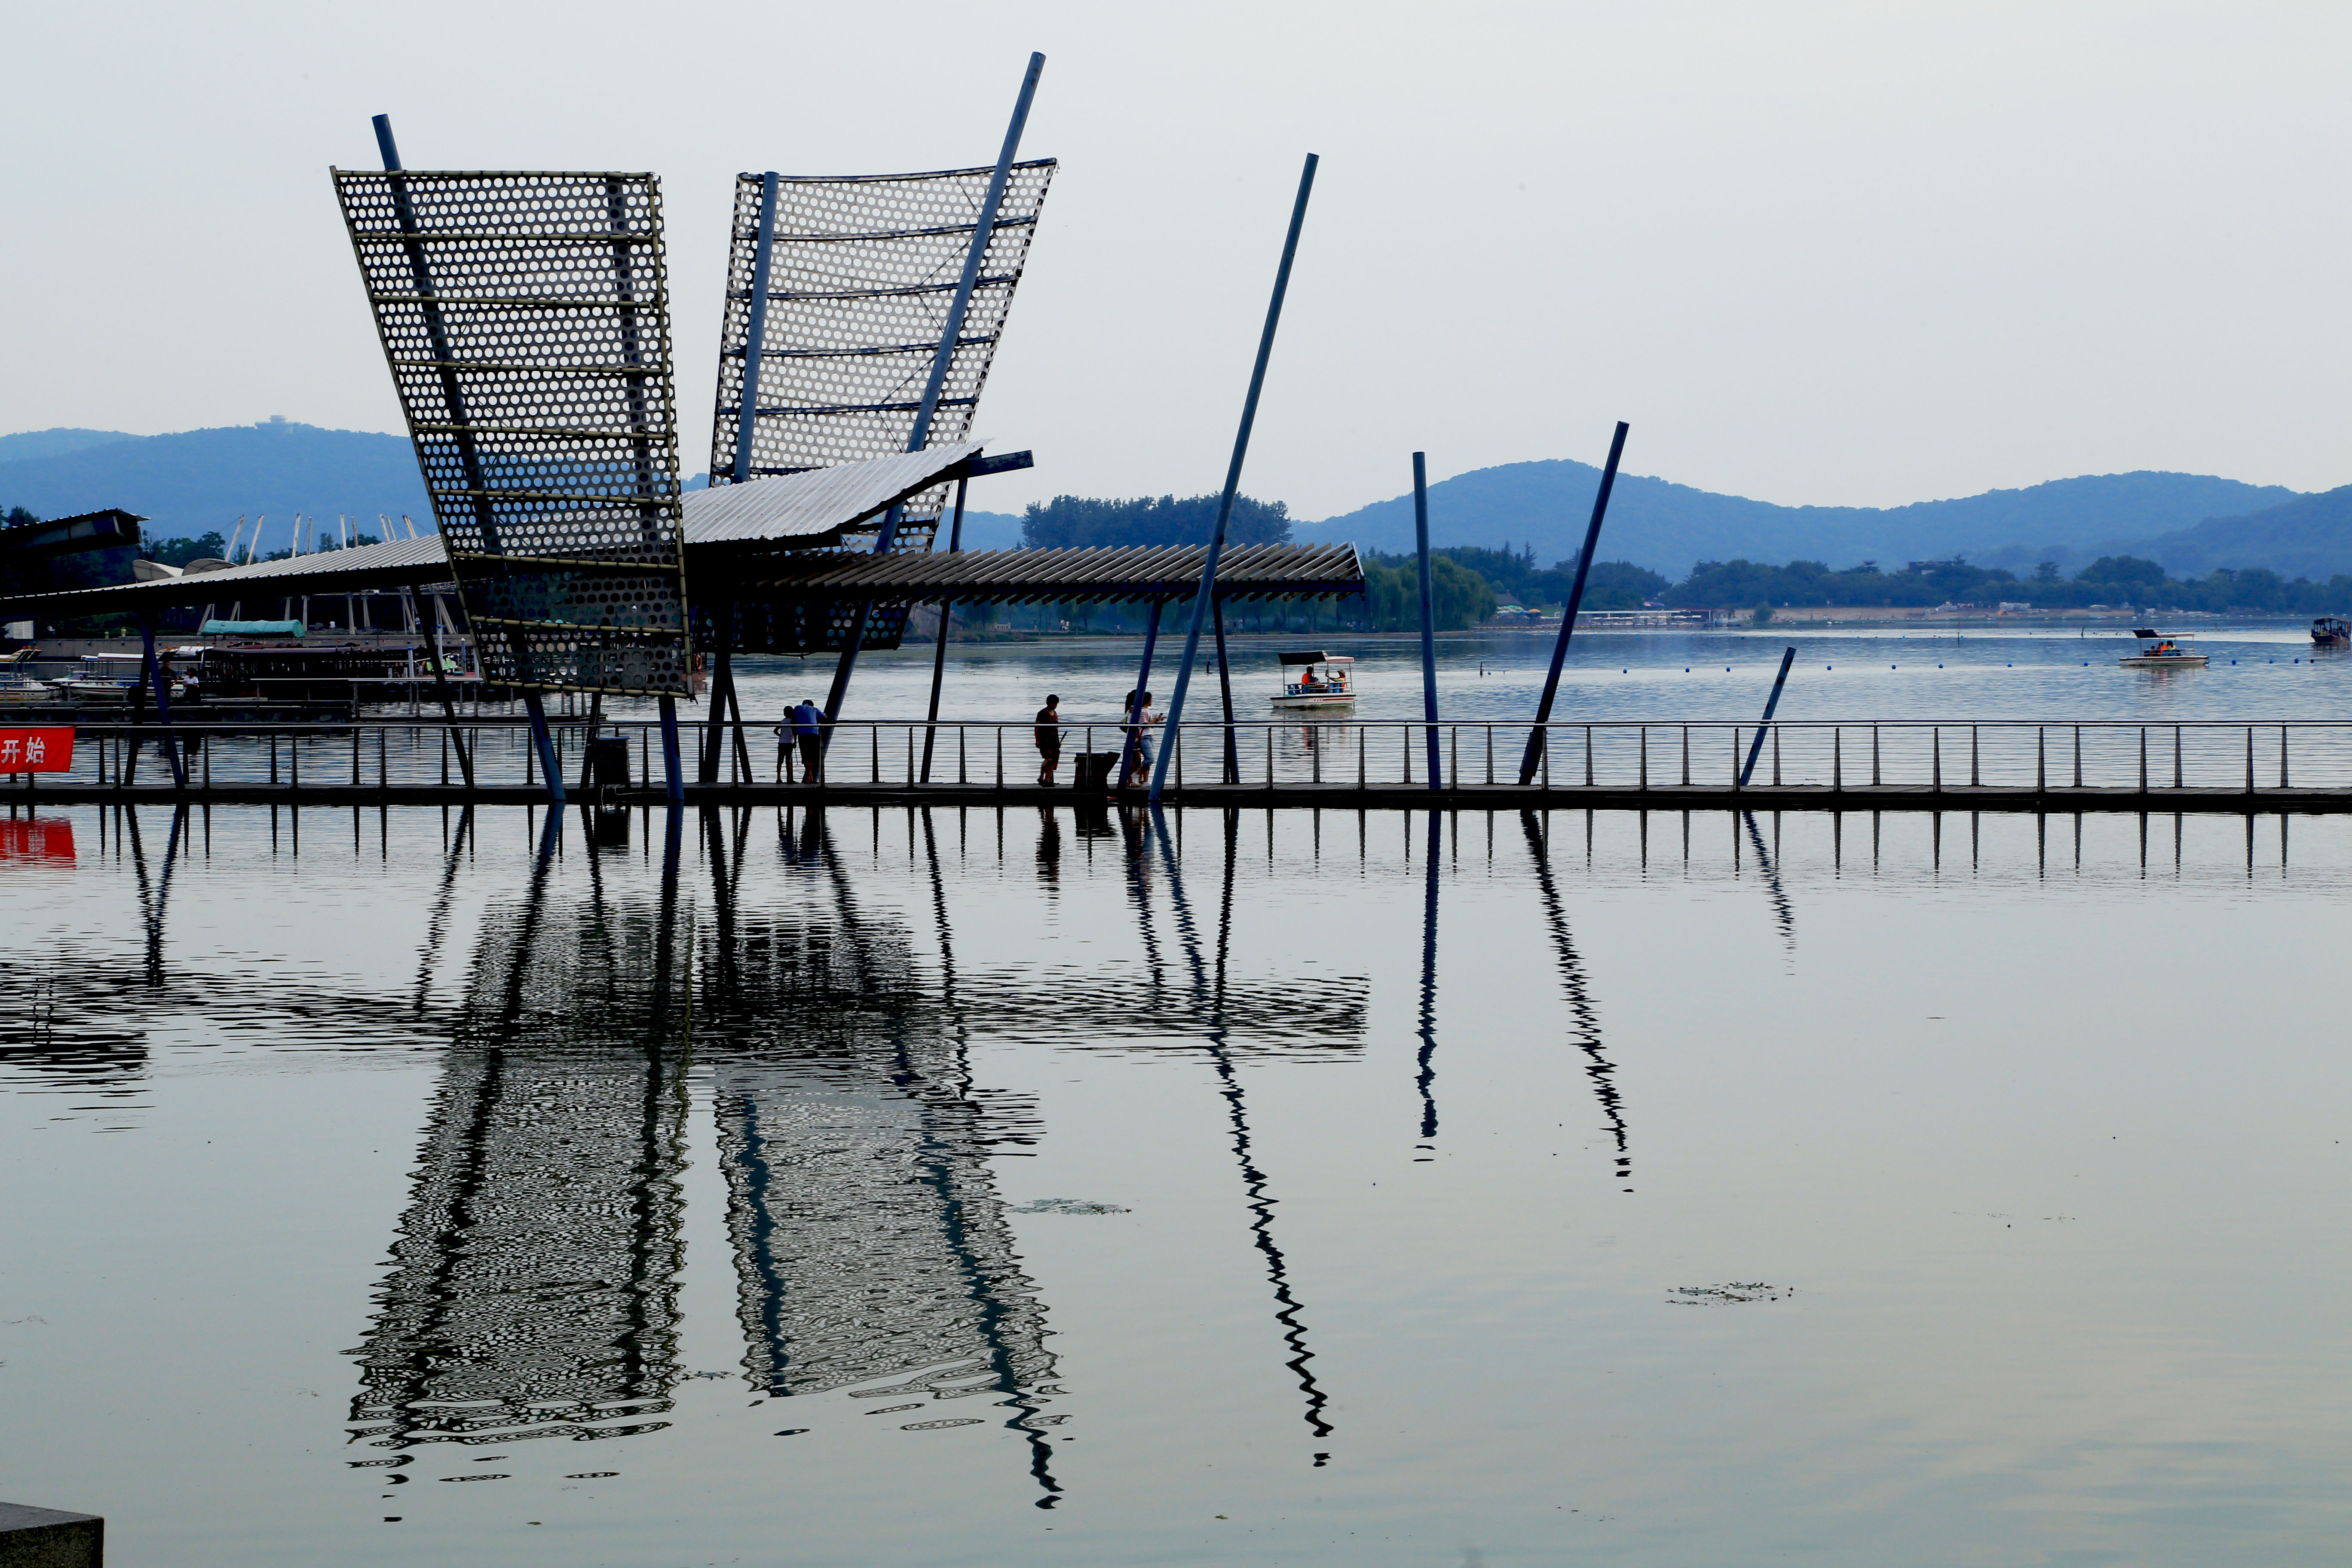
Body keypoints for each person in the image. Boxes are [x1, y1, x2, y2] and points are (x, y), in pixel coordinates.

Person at [1124, 687, 1159, 787]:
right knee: (1144, 759)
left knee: (1145, 759)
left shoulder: (1142, 710)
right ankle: (1134, 778)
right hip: (1140, 737)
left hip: (1145, 736)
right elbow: (1144, 724)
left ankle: (1143, 781)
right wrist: (1155, 721)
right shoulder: (1136, 709)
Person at [793, 698, 824, 783]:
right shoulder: (815, 710)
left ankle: (809, 778)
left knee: (805, 755)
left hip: (802, 734)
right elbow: (825, 717)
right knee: (812, 756)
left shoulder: (797, 708)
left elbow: (793, 718)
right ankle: (809, 778)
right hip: (813, 733)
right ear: (812, 705)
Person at [1034, 693, 1062, 786]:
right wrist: (1037, 740)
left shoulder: (1055, 714)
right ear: (1048, 703)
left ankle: (1047, 780)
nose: (1055, 706)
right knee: (1048, 759)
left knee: (1053, 761)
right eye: (1053, 704)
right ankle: (1041, 777)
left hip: (1054, 740)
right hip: (1044, 740)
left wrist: (1058, 742)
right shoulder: (1042, 713)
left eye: (1056, 704)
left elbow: (1056, 728)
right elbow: (1037, 727)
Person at [774, 714, 796, 783]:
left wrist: (781, 736)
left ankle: (779, 778)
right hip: (789, 742)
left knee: (780, 761)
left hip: (781, 742)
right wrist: (795, 742)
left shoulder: (782, 721)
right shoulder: (793, 721)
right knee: (788, 762)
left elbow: (775, 731)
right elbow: (795, 732)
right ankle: (789, 779)